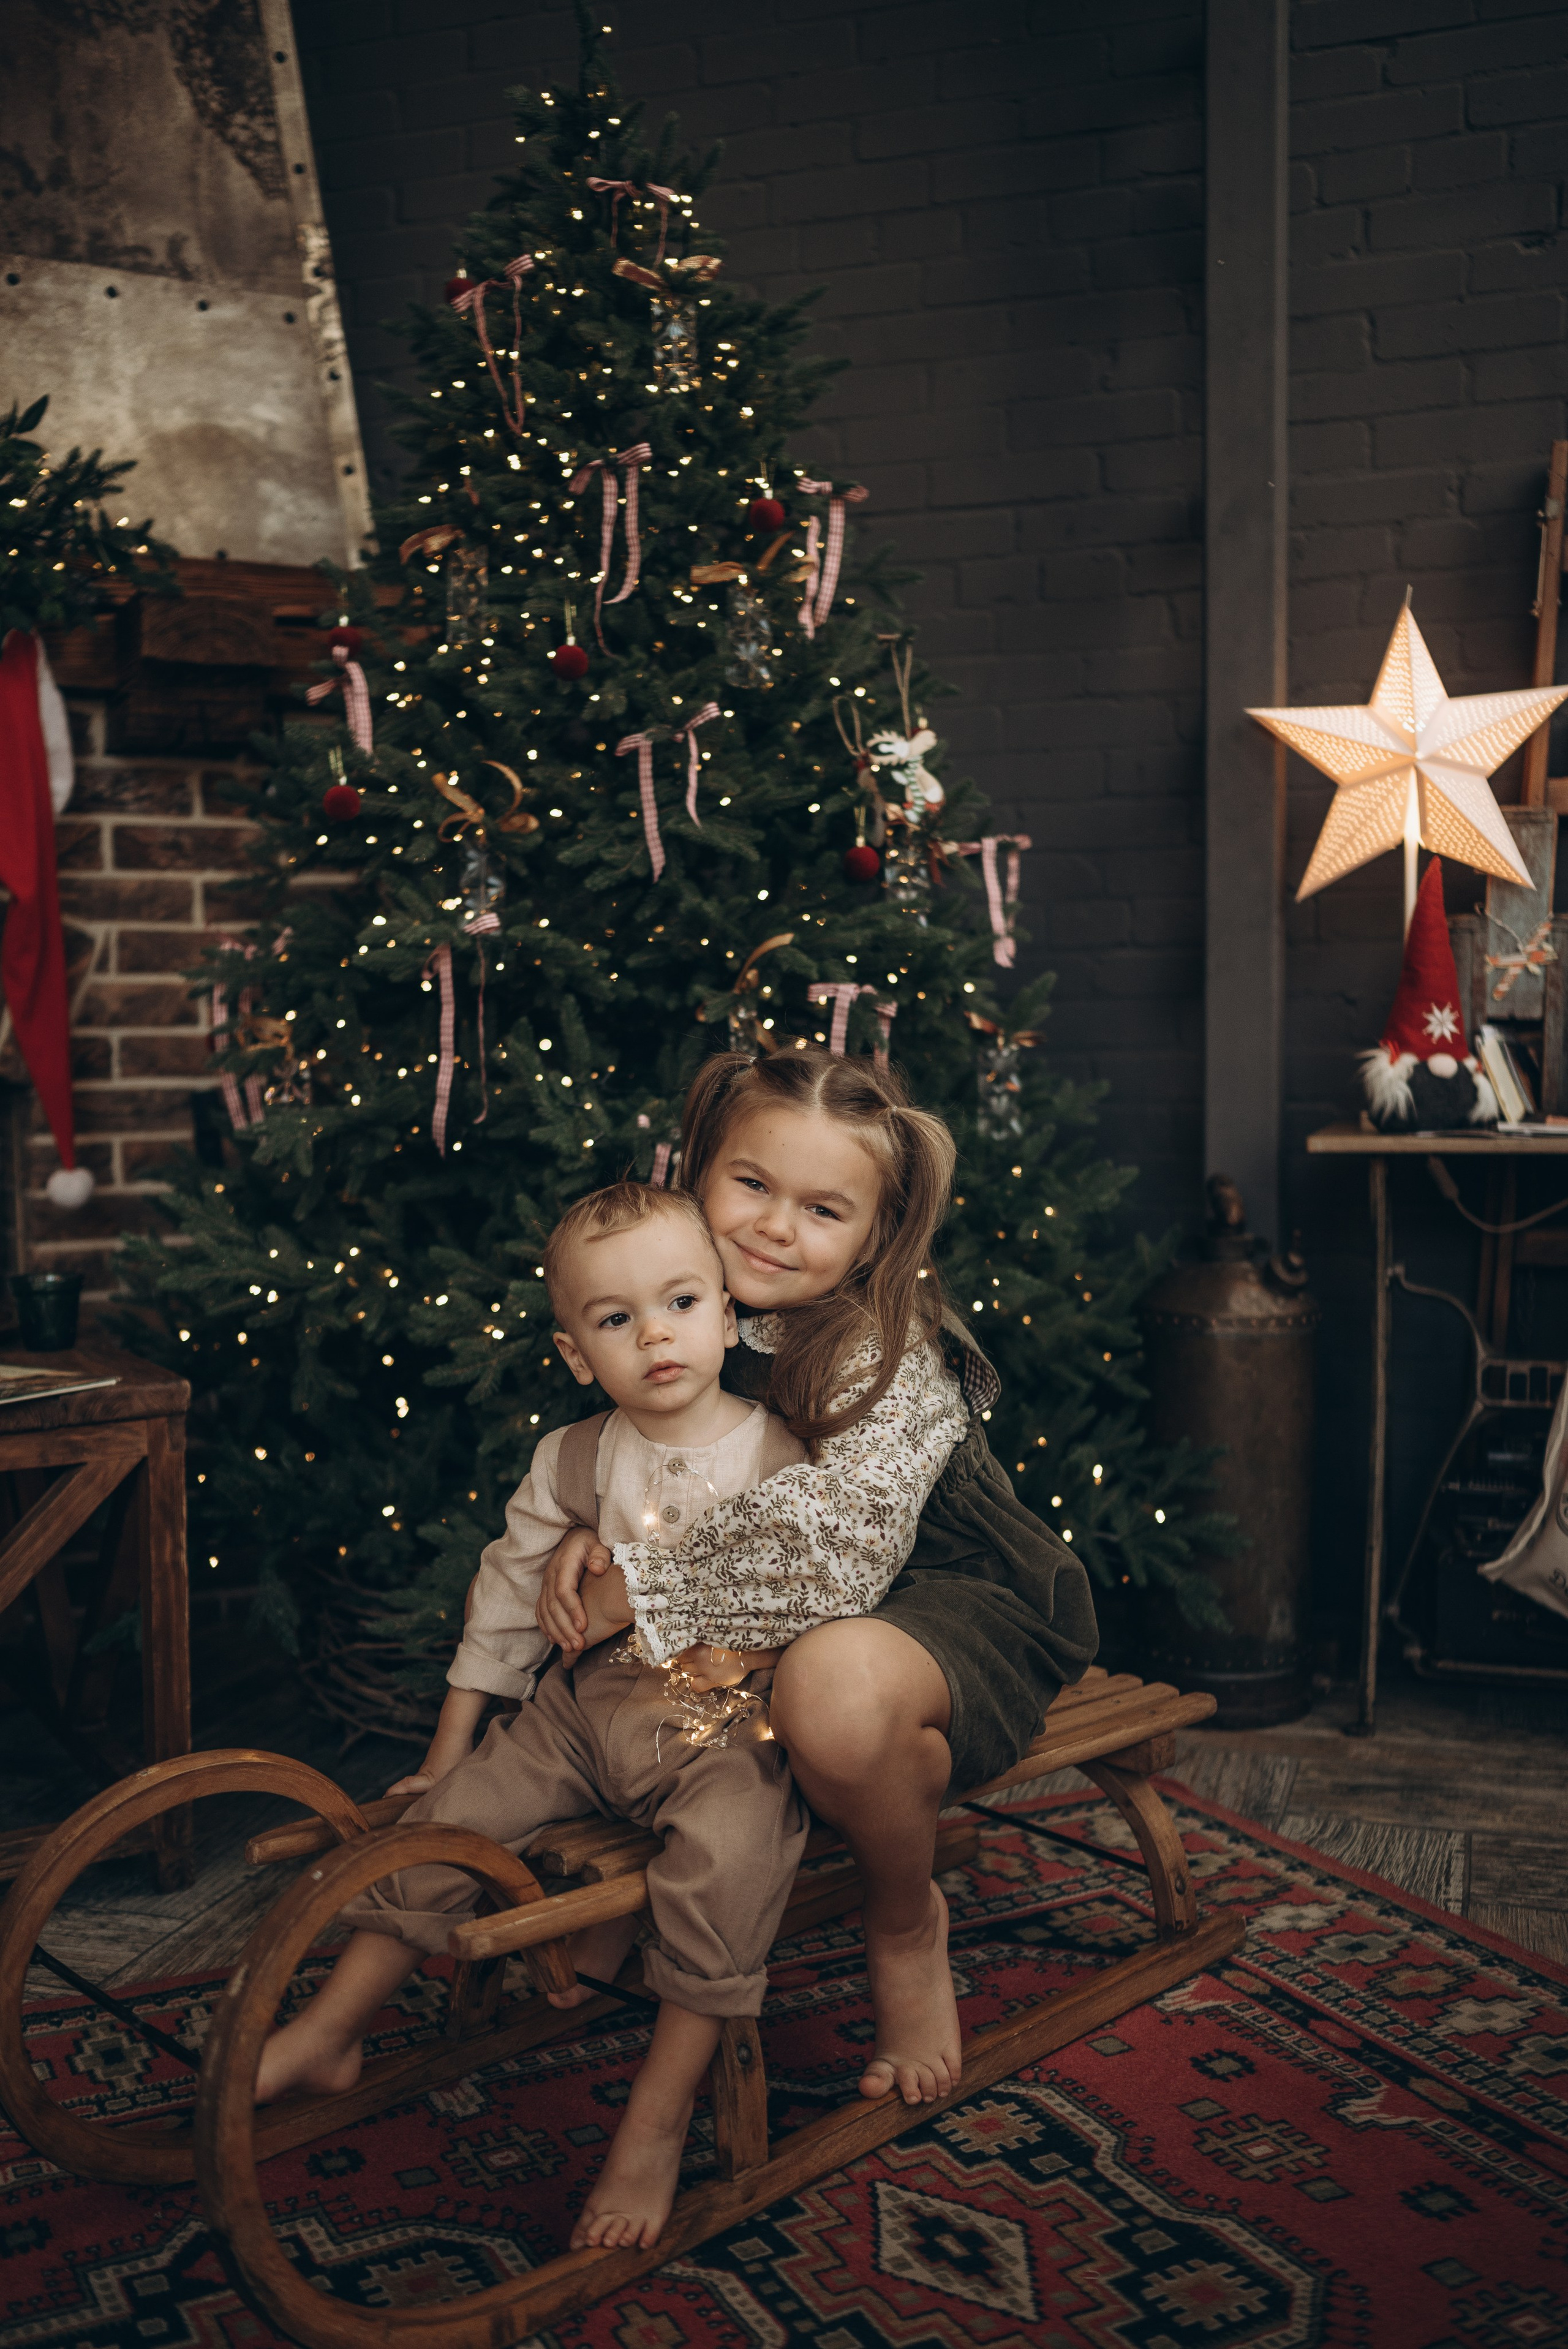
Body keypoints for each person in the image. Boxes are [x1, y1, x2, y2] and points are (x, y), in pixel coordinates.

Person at [254, 1175, 960, 2252]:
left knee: (725, 1866)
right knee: (453, 1818)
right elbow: (505, 1592)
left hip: (732, 1722)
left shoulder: (782, 1455)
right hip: (587, 1710)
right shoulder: (574, 1457)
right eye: (618, 1321)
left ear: (729, 1316)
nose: (657, 1338)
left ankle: (657, 2118)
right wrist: (451, 1745)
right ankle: (329, 2031)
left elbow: (837, 1576)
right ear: (579, 1353)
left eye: (682, 1305)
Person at [538, 1049, 1099, 2112]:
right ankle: (650, 1858)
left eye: (823, 1208)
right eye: (750, 1184)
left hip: (943, 1594)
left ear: (876, 1236)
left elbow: (834, 1549)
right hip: (762, 1595)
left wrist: (638, 1587)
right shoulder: (677, 1304)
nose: (774, 1227)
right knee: (651, 1661)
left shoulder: (885, 1347)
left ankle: (903, 1919)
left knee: (829, 1690)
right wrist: (596, 1534)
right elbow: (643, 1455)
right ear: (698, 1168)